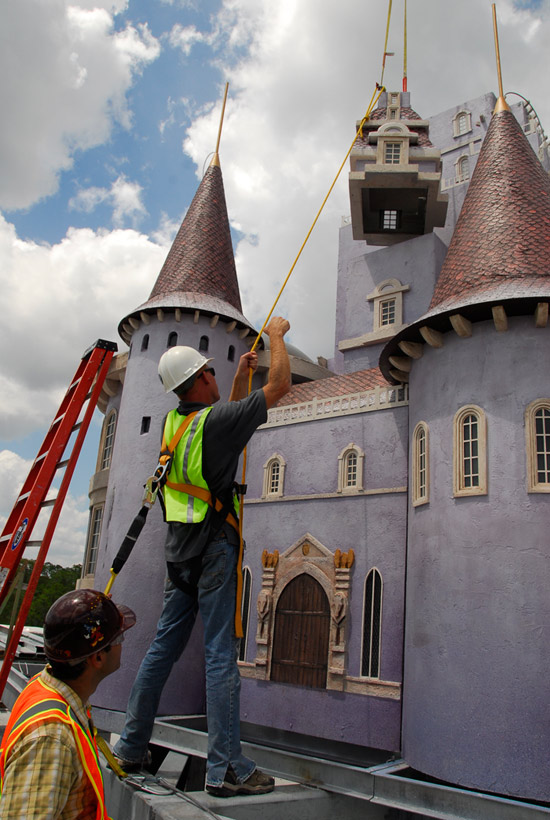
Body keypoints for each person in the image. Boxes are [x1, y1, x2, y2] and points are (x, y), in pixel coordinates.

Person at [114, 316, 291, 797]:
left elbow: (223, 421)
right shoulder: (217, 423)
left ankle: (130, 747)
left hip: (179, 553)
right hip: (214, 550)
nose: (217, 375)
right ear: (199, 379)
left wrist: (238, 378)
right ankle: (226, 767)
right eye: (211, 371)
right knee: (219, 657)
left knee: (160, 650)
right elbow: (280, 385)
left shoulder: (176, 423)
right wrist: (276, 334)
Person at [0, 589, 136, 819]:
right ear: (98, 658)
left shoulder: (48, 687)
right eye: (119, 638)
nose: (123, 643)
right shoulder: (51, 738)